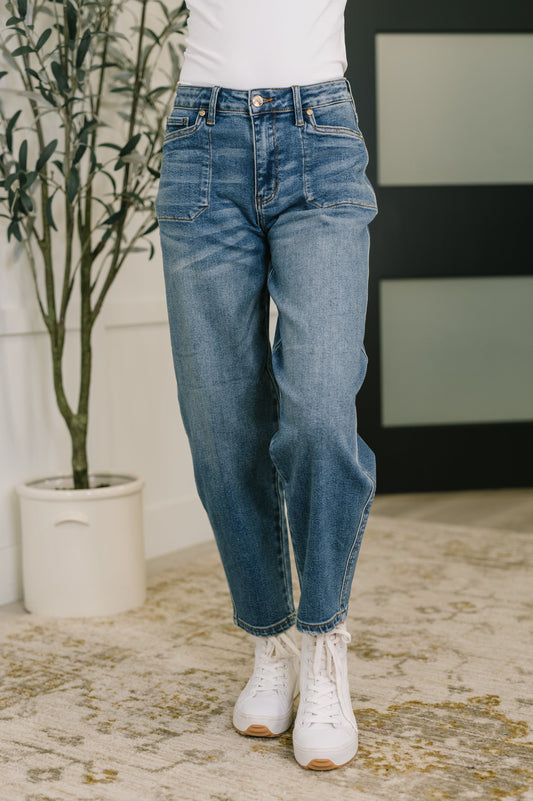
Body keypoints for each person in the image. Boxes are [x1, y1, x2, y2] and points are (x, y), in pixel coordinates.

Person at [155, 0, 378, 771]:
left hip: (318, 136)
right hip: (198, 142)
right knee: (220, 424)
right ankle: (270, 640)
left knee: (318, 411)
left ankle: (322, 643)